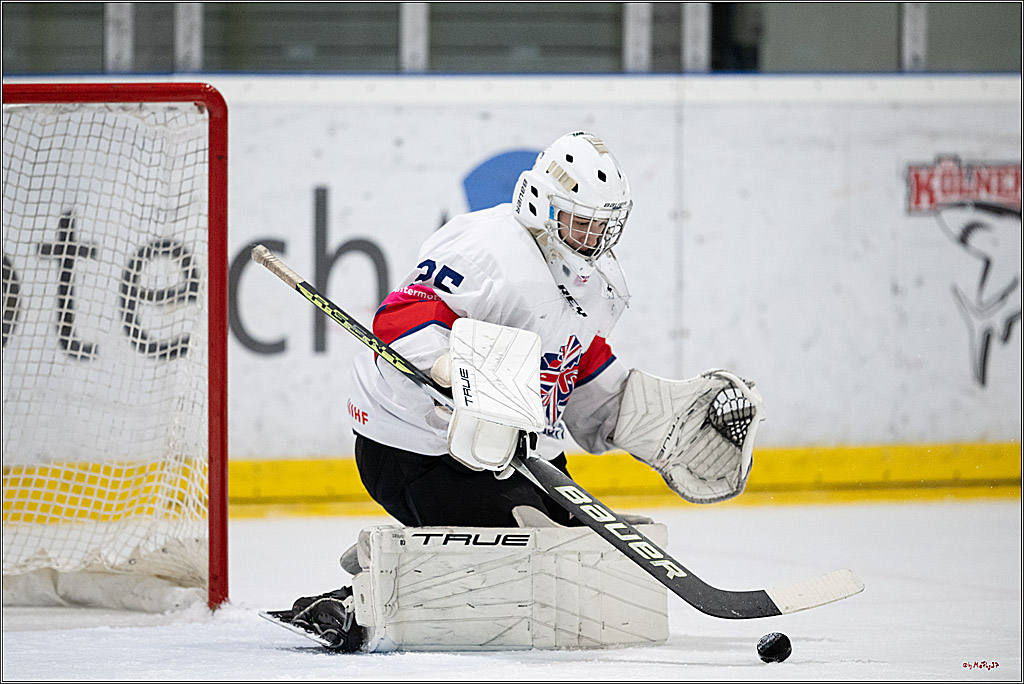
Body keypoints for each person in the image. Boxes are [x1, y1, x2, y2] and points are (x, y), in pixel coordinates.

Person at [271, 131, 762, 652]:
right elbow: (400, 317)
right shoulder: (487, 251)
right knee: (525, 553)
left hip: (513, 452)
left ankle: (401, 566)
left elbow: (577, 364)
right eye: (580, 221)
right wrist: (450, 369)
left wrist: (652, 418)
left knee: (574, 550)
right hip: (416, 446)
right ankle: (359, 600)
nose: (592, 237)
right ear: (540, 205)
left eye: (602, 225)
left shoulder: (595, 281)